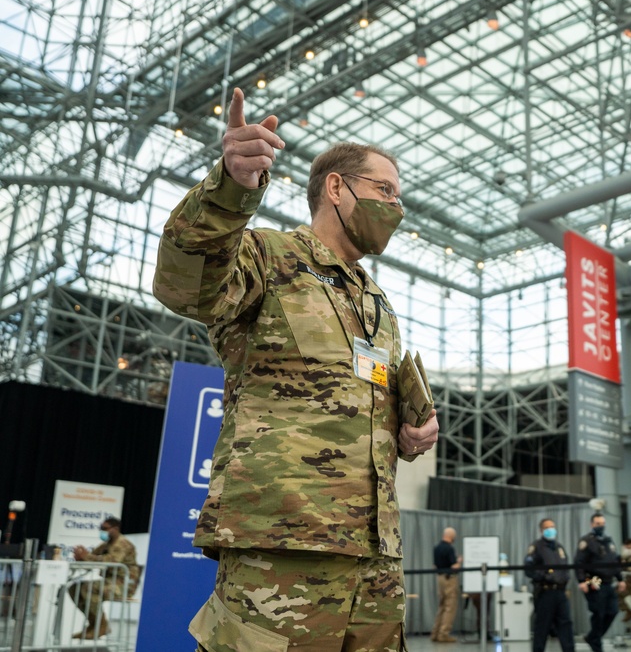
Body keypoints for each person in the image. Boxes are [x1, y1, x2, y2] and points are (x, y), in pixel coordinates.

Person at [153, 87, 440, 651]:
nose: (396, 207)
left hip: (374, 556)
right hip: (281, 548)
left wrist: (408, 435)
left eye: (399, 196)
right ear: (336, 188)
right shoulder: (269, 256)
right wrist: (229, 190)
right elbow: (184, 286)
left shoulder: (377, 303)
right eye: (384, 190)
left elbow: (368, 407)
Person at [70, 517, 140, 640]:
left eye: (105, 529)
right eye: (101, 528)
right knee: (74, 588)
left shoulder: (123, 544)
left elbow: (111, 561)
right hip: (110, 582)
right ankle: (94, 624)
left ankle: (101, 626)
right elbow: (93, 556)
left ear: (115, 529)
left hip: (124, 585)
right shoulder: (106, 545)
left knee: (90, 588)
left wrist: (87, 556)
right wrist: (81, 557)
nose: (102, 531)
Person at [575, 513, 626, 652]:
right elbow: (579, 563)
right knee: (598, 612)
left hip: (608, 581)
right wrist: (582, 581)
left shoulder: (608, 541)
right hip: (593, 579)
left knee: (613, 611)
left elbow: (614, 562)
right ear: (592, 524)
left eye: (602, 523)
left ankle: (593, 637)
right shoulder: (587, 541)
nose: (600, 526)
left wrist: (620, 579)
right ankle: (596, 645)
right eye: (598, 523)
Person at [524, 518, 574, 652]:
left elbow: (565, 567)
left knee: (566, 624)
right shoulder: (536, 547)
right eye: (547, 528)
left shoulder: (559, 547)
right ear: (541, 530)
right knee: (542, 627)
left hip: (561, 592)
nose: (551, 530)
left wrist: (565, 579)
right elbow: (529, 569)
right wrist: (545, 576)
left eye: (552, 527)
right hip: (545, 592)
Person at [431, 527, 462, 643]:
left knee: (442, 605)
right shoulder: (449, 548)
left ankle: (435, 633)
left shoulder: (437, 548)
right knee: (450, 606)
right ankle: (444, 633)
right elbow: (454, 566)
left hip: (440, 578)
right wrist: (459, 561)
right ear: (452, 536)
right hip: (449, 579)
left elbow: (435, 565)